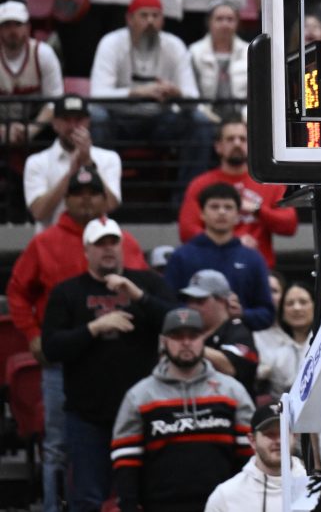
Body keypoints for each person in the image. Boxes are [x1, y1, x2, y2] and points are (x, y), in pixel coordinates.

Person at [6, 167, 147, 512]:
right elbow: (17, 292)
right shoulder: (44, 241)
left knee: (127, 441)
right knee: (57, 445)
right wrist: (33, 334)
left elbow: (144, 289)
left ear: (104, 199)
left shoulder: (124, 241)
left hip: (121, 361)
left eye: (93, 193)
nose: (86, 199)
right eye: (78, 194)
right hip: (66, 359)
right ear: (66, 199)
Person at [41, 217, 175, 512]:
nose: (108, 249)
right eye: (100, 244)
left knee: (149, 494)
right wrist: (94, 328)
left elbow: (178, 321)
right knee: (88, 499)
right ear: (86, 249)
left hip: (145, 413)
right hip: (88, 416)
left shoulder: (147, 283)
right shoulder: (67, 292)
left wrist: (136, 294)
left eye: (113, 242)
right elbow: (50, 348)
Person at [111, 307, 255, 512]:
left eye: (193, 336)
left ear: (203, 339)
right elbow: (126, 458)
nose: (186, 342)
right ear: (164, 341)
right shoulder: (140, 395)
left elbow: (249, 453)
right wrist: (129, 505)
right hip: (160, 506)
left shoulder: (231, 390)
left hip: (223, 505)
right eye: (177, 336)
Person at [89, 0, 214, 193]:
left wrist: (177, 93)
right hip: (120, 119)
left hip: (161, 118)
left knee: (198, 122)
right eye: (144, 16)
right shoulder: (111, 43)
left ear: (163, 20)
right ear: (129, 19)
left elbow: (192, 97)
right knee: (97, 117)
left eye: (155, 16)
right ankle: (104, 194)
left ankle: (187, 198)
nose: (150, 22)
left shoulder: (174, 45)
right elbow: (97, 95)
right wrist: (137, 92)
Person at [178, 116, 298, 268]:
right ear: (218, 147)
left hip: (259, 269)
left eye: (242, 139)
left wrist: (257, 210)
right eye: (230, 139)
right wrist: (232, 241)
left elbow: (289, 225)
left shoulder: (268, 183)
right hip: (213, 267)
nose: (237, 143)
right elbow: (187, 231)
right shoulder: (200, 184)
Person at [166, 182, 275, 331]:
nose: (222, 212)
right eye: (214, 206)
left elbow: (267, 314)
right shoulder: (181, 256)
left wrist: (241, 313)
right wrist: (202, 311)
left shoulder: (253, 259)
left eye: (228, 207)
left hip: (239, 342)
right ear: (202, 214)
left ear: (238, 215)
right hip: (191, 340)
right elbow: (167, 306)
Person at [23, 95, 121, 227]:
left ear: (88, 122)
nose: (73, 126)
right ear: (55, 124)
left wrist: (88, 164)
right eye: (66, 120)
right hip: (52, 244)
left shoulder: (109, 158)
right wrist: (70, 174)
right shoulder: (36, 162)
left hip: (94, 243)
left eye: (79, 120)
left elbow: (111, 205)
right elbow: (39, 213)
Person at [204, 402, 305, 512]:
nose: (279, 441)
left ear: (295, 437)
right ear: (252, 440)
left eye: (284, 432)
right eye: (270, 434)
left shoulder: (316, 489)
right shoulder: (225, 497)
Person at [181, 269, 259, 396]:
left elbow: (231, 368)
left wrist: (187, 347)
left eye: (200, 301)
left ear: (222, 301)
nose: (192, 306)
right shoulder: (188, 335)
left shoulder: (238, 331)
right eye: (189, 300)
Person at [0, 0, 62, 145]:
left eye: (18, 25)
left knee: (62, 124)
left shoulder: (43, 53)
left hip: (36, 122)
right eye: (6, 25)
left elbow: (54, 102)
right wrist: (3, 130)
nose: (12, 31)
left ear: (28, 28)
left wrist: (31, 129)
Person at [188, 0, 249, 120]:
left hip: (243, 116)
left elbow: (256, 93)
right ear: (209, 22)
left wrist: (245, 116)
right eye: (219, 19)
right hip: (206, 117)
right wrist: (207, 116)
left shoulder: (249, 51)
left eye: (230, 19)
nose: (225, 24)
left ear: (237, 23)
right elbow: (191, 93)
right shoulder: (194, 52)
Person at [254, 281, 313, 399]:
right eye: (290, 303)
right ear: (282, 312)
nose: (296, 308)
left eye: (303, 302)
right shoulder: (280, 353)